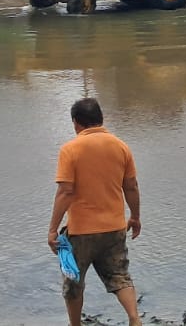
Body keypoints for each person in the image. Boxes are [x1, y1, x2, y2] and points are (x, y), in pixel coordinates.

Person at [48, 98, 142, 326]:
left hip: (81, 231)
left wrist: (52, 230)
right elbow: (131, 186)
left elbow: (65, 192)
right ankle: (134, 318)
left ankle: (75, 325)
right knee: (120, 276)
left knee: (73, 281)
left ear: (76, 122)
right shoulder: (121, 146)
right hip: (114, 228)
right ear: (101, 118)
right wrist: (135, 217)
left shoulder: (70, 149)